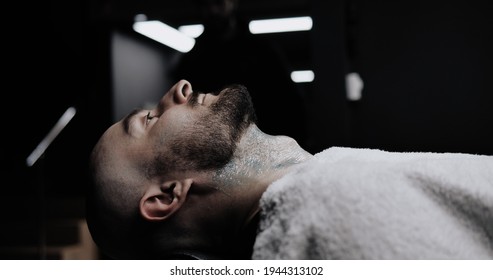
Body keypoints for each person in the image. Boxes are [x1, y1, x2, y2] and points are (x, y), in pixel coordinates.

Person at [86, 79, 493, 260]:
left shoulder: (325, 193)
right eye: (151, 120)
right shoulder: (331, 215)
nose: (180, 89)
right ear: (166, 195)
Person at [171, 0, 308, 148]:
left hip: (264, 142)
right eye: (206, 5)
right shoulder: (192, 60)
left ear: (232, 3)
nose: (213, 11)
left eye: (219, 3)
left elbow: (291, 101)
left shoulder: (263, 51)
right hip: (214, 149)